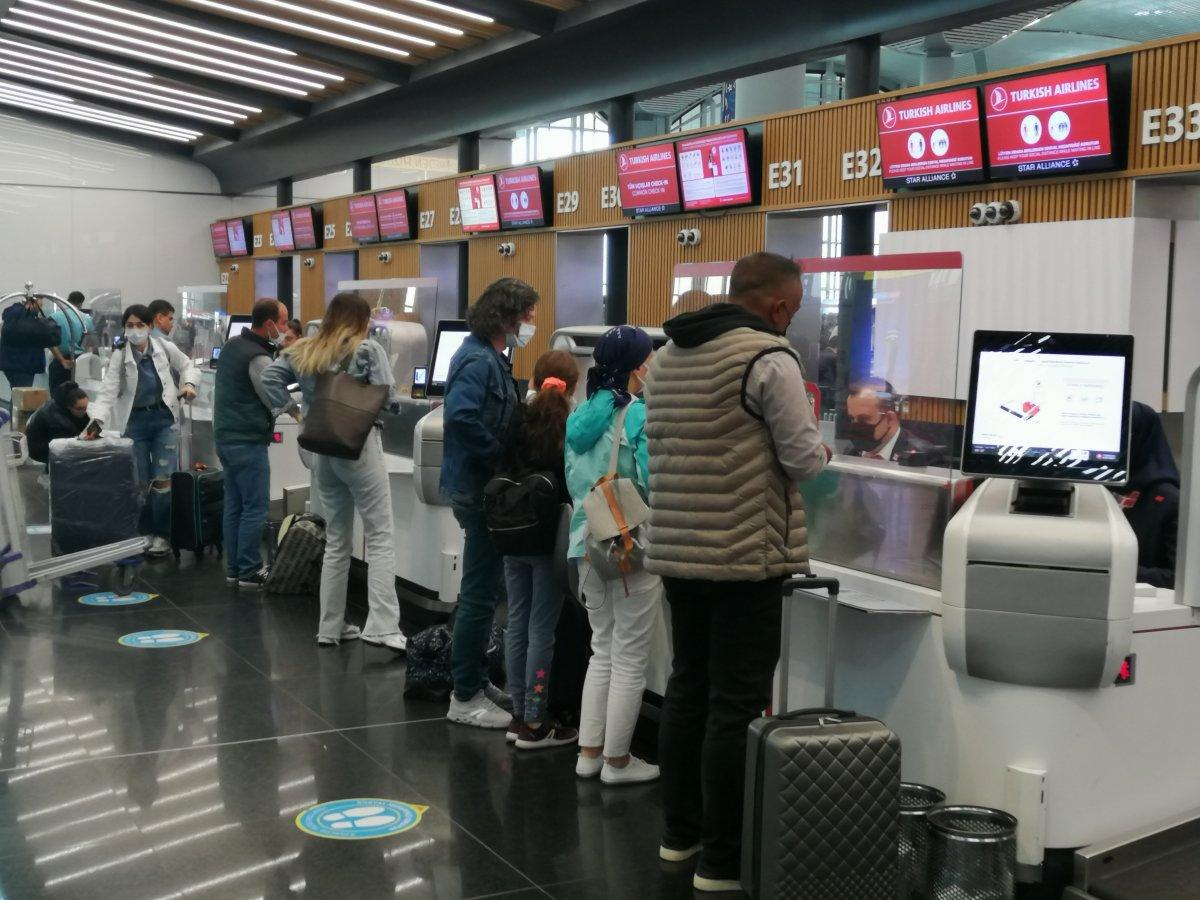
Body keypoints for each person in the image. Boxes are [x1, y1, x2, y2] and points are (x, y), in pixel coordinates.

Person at [644, 251, 829, 893]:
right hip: (745, 555)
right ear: (778, 306)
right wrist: (824, 447)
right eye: (795, 309)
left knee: (687, 688)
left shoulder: (665, 357)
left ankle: (678, 836)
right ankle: (721, 862)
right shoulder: (768, 358)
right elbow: (803, 459)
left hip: (676, 551)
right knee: (734, 702)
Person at [261, 292, 406, 651]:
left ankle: (330, 627)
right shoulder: (368, 350)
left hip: (321, 449)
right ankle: (383, 626)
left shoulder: (306, 350)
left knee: (337, 539)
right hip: (358, 447)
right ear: (360, 320)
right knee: (380, 535)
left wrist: (295, 413)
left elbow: (268, 378)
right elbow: (389, 401)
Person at [565, 325, 662, 785]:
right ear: (637, 366)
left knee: (600, 650)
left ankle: (588, 754)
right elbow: (651, 484)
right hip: (630, 545)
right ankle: (617, 762)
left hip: (587, 543)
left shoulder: (580, 414)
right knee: (629, 657)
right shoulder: (638, 415)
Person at [441, 277, 539, 729]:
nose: (532, 323)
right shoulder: (479, 361)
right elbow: (460, 417)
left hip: (481, 486)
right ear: (508, 316)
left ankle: (476, 680)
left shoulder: (491, 358)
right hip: (480, 488)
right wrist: (499, 456)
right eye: (528, 315)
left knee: (487, 591)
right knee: (480, 595)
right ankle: (464, 695)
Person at [504, 349, 579, 750]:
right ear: (574, 387)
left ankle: (519, 714)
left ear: (534, 379)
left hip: (510, 533)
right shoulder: (567, 426)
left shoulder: (518, 416)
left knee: (517, 622)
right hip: (546, 540)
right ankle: (537, 722)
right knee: (541, 630)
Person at [86, 304, 199, 557]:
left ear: (150, 326)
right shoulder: (119, 356)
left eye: (140, 325)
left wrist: (189, 384)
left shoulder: (163, 348)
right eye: (130, 325)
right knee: (139, 482)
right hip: (134, 423)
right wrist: (96, 422)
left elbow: (188, 364)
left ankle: (162, 534)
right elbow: (107, 393)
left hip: (163, 420)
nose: (135, 330)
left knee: (162, 481)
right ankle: (143, 532)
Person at [214, 298, 290, 590]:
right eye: (283, 323)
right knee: (255, 507)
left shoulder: (233, 345)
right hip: (246, 440)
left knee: (234, 505)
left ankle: (234, 568)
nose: (284, 329)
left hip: (225, 437)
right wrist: (299, 403)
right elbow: (273, 397)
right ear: (269, 323)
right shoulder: (257, 357)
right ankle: (249, 570)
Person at [1113, 402, 1179, 589]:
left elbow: (1181, 579)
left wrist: (1121, 570)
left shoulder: (1169, 501)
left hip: (1152, 612)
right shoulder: (1098, 490)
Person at [844, 377, 944, 465]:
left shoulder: (923, 456)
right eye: (852, 418)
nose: (855, 426)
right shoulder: (852, 451)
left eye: (864, 419)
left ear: (890, 419)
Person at [1, 293, 61, 391]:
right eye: (39, 305)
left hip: (18, 364)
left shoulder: (15, 317)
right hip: (21, 364)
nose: (39, 309)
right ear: (31, 303)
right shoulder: (20, 316)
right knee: (21, 395)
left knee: (18, 394)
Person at [25, 381, 90, 465]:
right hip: (41, 450)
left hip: (44, 443)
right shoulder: (58, 421)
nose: (84, 412)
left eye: (86, 407)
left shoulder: (59, 404)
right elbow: (65, 447)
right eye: (80, 409)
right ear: (68, 406)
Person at [48, 291, 93, 394]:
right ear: (81, 303)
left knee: (57, 394)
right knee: (75, 395)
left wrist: (62, 359)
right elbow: (89, 344)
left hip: (60, 361)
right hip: (80, 362)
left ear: (67, 301)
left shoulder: (54, 317)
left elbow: (50, 342)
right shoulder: (87, 319)